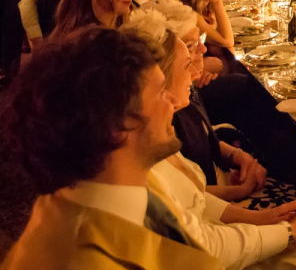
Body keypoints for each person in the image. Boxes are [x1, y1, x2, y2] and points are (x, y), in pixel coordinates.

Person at [125, 5, 296, 270]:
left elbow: (196, 201)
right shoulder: (145, 159)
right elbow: (204, 243)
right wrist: (289, 232)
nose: (200, 56)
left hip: (230, 233)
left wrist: (264, 217)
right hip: (223, 255)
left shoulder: (157, 135)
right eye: (187, 59)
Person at [0, 27, 223, 269]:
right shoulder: (83, 260)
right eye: (160, 92)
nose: (171, 101)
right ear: (116, 126)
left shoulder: (130, 189)